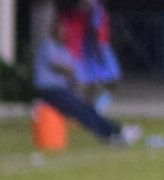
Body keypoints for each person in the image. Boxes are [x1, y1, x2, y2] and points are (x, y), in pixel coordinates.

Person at [33, 16, 140, 145]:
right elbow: (59, 68)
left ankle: (116, 131)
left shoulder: (65, 50)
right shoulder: (48, 47)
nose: (64, 32)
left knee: (88, 108)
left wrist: (81, 87)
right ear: (54, 30)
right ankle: (111, 134)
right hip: (50, 91)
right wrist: (73, 75)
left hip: (63, 90)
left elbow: (73, 74)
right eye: (61, 29)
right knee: (80, 111)